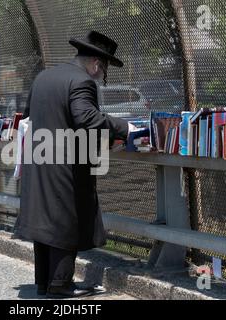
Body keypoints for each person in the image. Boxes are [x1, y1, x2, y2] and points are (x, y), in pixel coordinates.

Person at [13, 31, 137, 298]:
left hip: (39, 161)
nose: (99, 77)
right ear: (95, 62)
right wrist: (125, 128)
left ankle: (44, 283)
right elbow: (87, 118)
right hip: (65, 166)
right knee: (64, 221)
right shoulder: (82, 81)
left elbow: (29, 117)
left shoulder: (44, 77)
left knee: (45, 220)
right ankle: (61, 285)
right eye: (102, 71)